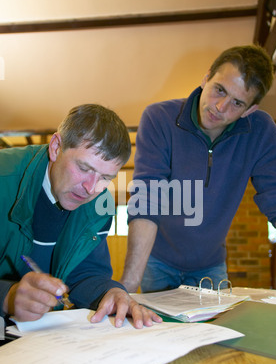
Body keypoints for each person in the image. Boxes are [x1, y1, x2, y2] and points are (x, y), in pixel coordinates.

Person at [121, 45, 276, 293]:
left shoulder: (261, 133)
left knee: (215, 331)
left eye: (237, 103)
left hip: (211, 267)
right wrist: (128, 284)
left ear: (250, 110)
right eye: (219, 90)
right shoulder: (159, 118)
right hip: (158, 262)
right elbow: (147, 199)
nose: (220, 107)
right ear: (206, 78)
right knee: (160, 329)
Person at [0, 103, 162, 328]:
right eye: (84, 168)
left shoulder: (100, 204)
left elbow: (86, 272)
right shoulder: (3, 178)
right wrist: (7, 297)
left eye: (106, 177)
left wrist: (110, 292)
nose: (91, 188)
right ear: (56, 147)